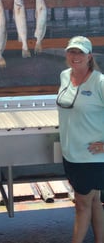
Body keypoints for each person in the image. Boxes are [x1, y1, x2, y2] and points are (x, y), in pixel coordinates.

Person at [56, 36, 104, 243]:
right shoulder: (64, 76)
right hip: (71, 153)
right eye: (71, 52)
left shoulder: (100, 82)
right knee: (94, 202)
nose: (75, 57)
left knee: (82, 205)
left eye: (80, 53)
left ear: (89, 56)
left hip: (92, 156)